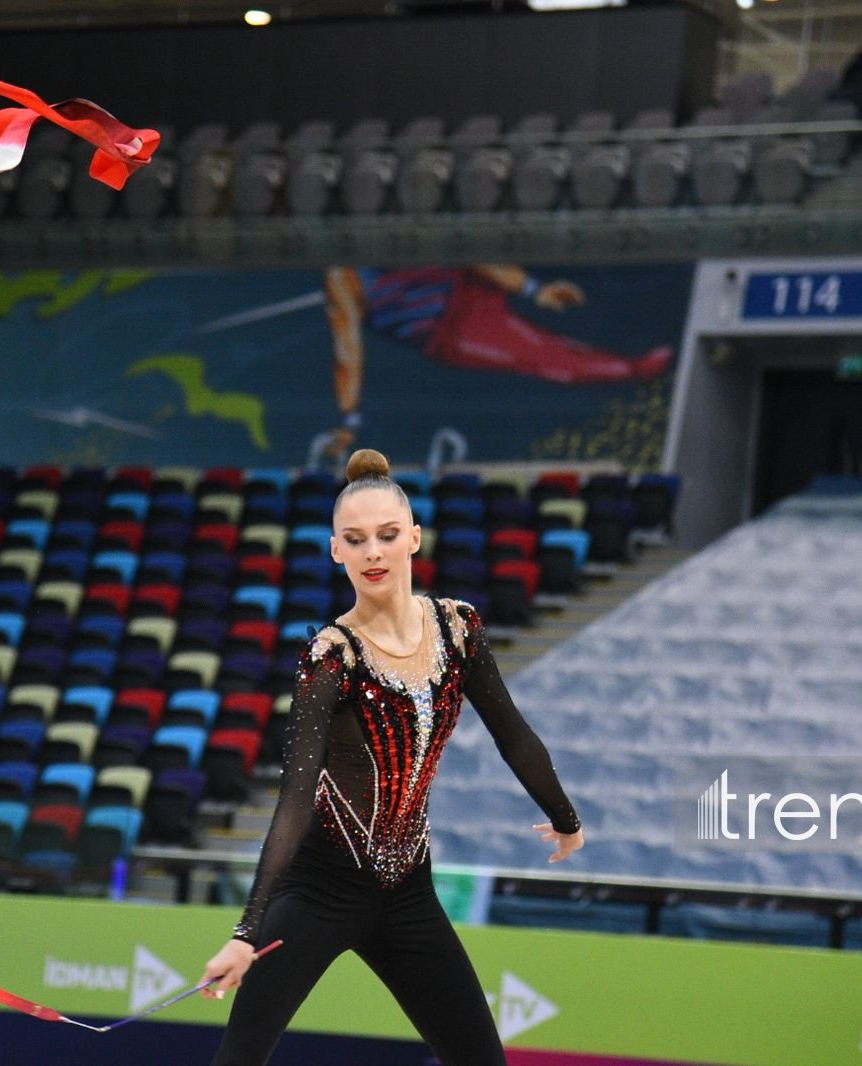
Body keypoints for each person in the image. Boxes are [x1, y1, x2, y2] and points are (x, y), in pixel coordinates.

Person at [201, 448, 586, 1065]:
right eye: (356, 540)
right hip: (319, 891)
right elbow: (295, 799)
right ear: (336, 551)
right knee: (241, 1055)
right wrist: (246, 932)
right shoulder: (331, 656)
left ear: (414, 538)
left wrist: (565, 817)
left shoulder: (458, 627)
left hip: (408, 893)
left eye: (386, 536)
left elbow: (512, 732)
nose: (372, 552)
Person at [318, 264, 676, 462]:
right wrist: (349, 416)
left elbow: (474, 258)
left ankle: (630, 365)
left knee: (546, 348)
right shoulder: (342, 279)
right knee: (544, 356)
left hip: (468, 285)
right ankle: (632, 369)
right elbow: (348, 352)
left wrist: (534, 288)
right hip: (451, 328)